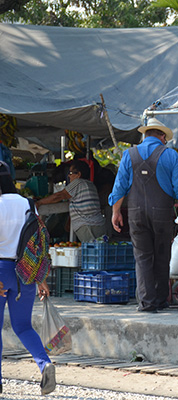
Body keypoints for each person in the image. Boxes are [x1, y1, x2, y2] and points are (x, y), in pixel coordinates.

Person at [109, 118, 178, 313]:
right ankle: (161, 299)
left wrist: (115, 212)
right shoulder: (169, 155)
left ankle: (147, 303)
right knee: (162, 255)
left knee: (142, 257)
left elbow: (119, 187)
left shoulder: (128, 155)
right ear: (162, 136)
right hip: (162, 212)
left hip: (136, 212)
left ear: (145, 135)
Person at [0, 161, 55, 395]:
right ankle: (45, 363)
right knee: (23, 326)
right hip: (25, 273)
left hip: (1, 271)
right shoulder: (28, 204)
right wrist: (40, 278)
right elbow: (38, 243)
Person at [36, 160, 107, 242]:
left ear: (79, 174)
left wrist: (39, 202)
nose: (69, 176)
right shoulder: (90, 184)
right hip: (98, 224)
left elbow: (59, 196)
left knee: (92, 252)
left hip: (88, 225)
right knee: (100, 251)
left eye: (70, 173)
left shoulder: (78, 182)